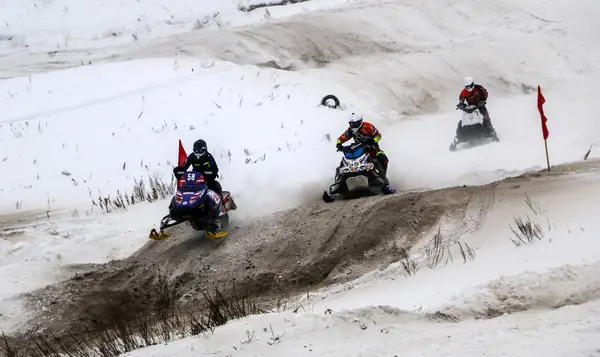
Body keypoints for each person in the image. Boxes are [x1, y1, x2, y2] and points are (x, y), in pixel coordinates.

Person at [335, 111, 395, 194]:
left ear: (360, 121)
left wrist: (373, 140)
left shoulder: (368, 126)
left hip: (373, 150)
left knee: (383, 159)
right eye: (351, 124)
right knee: (343, 162)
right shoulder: (350, 130)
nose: (353, 126)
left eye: (355, 124)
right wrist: (338, 144)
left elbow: (378, 135)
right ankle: (338, 184)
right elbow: (341, 138)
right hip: (358, 150)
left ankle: (386, 183)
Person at [180, 139, 224, 236]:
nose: (197, 153)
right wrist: (179, 170)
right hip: (195, 181)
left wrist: (211, 173)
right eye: (195, 150)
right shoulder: (192, 156)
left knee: (215, 186)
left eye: (198, 150)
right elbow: (185, 165)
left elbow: (215, 168)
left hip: (208, 179)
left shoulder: (208, 157)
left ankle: (220, 207)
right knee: (185, 190)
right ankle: (183, 209)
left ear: (204, 149)